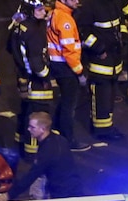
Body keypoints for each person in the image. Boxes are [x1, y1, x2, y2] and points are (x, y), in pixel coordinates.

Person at [0, 112, 82, 201]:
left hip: (62, 195)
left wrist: (8, 195)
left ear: (42, 129)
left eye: (32, 127)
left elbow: (31, 176)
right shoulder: (60, 140)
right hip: (75, 188)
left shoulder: (47, 150)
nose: (28, 129)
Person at [8, 0, 52, 155]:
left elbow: (10, 48)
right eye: (39, 9)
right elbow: (36, 61)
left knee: (26, 111)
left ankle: (21, 141)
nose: (44, 12)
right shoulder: (33, 30)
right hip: (36, 80)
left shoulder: (20, 26)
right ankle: (33, 152)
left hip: (24, 78)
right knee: (37, 115)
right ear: (29, 11)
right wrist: (47, 76)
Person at [76, 0, 123, 141]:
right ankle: (101, 130)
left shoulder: (112, 4)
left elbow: (119, 25)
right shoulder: (89, 6)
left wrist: (123, 40)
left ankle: (107, 126)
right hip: (99, 61)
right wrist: (99, 48)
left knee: (109, 97)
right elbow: (83, 32)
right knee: (101, 97)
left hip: (113, 60)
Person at [48, 0, 90, 151]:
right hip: (66, 67)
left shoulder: (56, 13)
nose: (77, 1)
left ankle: (57, 130)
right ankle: (68, 139)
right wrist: (79, 72)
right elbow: (69, 51)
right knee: (69, 105)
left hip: (57, 64)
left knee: (65, 101)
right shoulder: (65, 19)